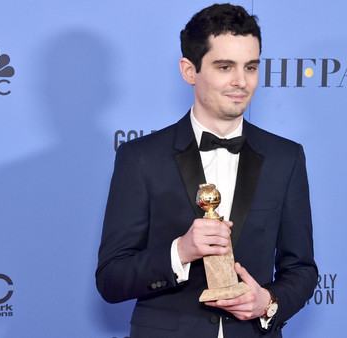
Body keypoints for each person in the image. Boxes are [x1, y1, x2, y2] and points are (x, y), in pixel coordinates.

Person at [96, 3, 317, 337]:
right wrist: (180, 252)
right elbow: (111, 279)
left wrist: (268, 301)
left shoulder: (285, 158)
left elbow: (301, 269)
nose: (241, 82)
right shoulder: (141, 158)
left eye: (251, 67)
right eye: (225, 66)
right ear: (189, 70)